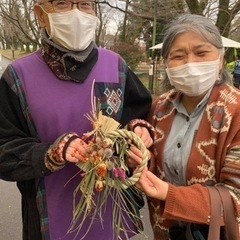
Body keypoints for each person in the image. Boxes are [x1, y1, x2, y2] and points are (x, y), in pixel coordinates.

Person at [0, 1, 152, 239]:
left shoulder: (116, 66)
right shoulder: (17, 77)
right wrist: (51, 153)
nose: (77, 14)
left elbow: (139, 114)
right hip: (48, 222)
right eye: (62, 4)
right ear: (41, 15)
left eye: (85, 4)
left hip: (113, 219)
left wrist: (138, 132)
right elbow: (4, 152)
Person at [135, 14, 240, 240]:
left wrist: (169, 194)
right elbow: (154, 165)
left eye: (201, 53)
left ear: (220, 59)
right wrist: (137, 154)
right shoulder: (159, 108)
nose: (190, 63)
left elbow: (236, 197)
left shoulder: (236, 111)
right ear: (167, 64)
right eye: (178, 56)